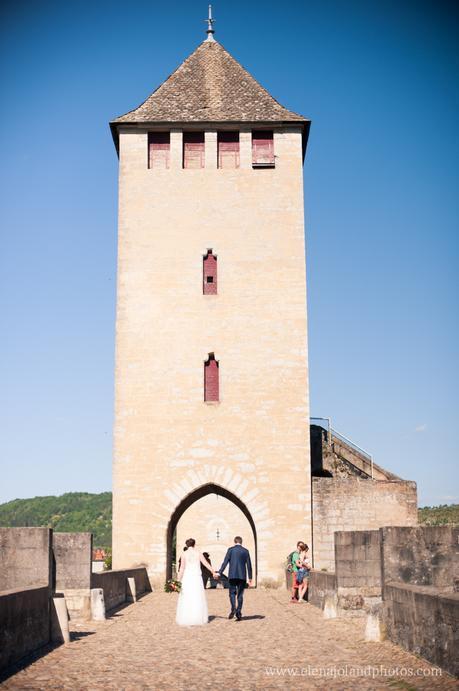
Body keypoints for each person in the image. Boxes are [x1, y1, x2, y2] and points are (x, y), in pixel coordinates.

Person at [176, 538, 214, 626]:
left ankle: (187, 617)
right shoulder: (198, 553)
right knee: (197, 596)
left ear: (187, 545)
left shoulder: (184, 554)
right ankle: (197, 617)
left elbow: (182, 568)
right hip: (196, 577)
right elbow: (206, 563)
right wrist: (213, 571)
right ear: (194, 544)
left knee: (187, 597)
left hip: (187, 577)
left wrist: (178, 580)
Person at [215, 536, 253, 621]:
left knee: (232, 593)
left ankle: (233, 609)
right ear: (241, 542)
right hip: (242, 576)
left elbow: (225, 562)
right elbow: (249, 565)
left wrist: (219, 572)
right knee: (240, 595)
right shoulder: (245, 551)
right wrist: (250, 577)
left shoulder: (230, 550)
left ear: (234, 542)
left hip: (232, 575)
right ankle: (238, 612)